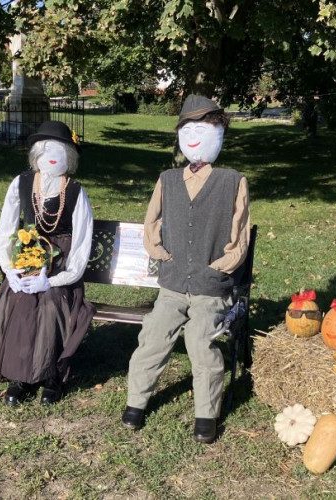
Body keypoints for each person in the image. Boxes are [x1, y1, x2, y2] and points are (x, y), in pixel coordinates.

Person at [122, 95, 250, 443]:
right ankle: (136, 401)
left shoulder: (232, 180)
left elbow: (239, 236)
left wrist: (218, 268)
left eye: (203, 129)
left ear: (218, 133)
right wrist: (162, 254)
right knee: (153, 336)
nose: (194, 137)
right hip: (173, 283)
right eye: (187, 129)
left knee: (200, 341)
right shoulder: (167, 178)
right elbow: (152, 222)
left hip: (211, 287)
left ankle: (206, 414)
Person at [0, 121, 95, 406]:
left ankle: (52, 375)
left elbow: (81, 244)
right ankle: (21, 374)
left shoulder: (75, 192)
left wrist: (54, 279)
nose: (52, 154)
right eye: (46, 148)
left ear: (70, 156)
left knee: (51, 302)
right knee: (19, 300)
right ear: (36, 153)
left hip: (60, 265)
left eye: (60, 149)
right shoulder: (21, 183)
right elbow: (6, 229)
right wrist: (8, 267)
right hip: (28, 256)